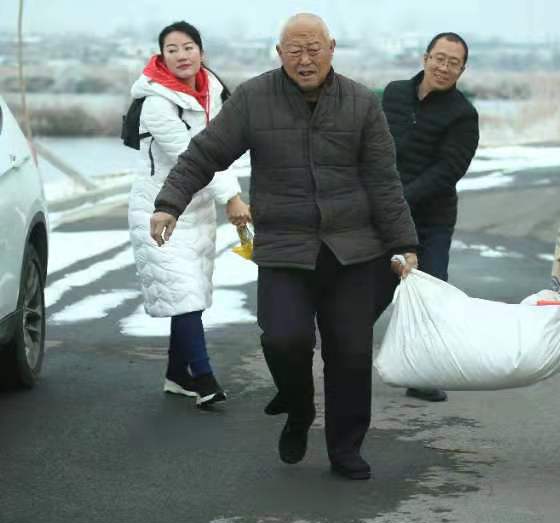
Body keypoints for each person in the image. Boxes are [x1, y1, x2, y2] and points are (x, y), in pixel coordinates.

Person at [149, 13, 418, 480]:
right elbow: (204, 153)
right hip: (284, 247)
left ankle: (346, 448)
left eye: (314, 49)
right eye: (294, 50)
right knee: (283, 339)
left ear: (331, 49)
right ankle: (298, 405)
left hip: (353, 249)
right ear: (280, 54)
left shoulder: (360, 102)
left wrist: (403, 244)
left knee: (351, 352)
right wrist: (169, 204)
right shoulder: (255, 98)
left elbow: (383, 180)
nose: (305, 59)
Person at [127, 21, 250, 408]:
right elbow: (195, 156)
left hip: (198, 209)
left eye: (188, 47)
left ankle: (177, 375)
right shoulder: (156, 103)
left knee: (189, 295)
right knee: (185, 295)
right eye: (172, 49)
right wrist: (232, 197)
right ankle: (204, 378)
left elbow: (224, 147)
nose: (182, 55)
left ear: (201, 51)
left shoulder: (212, 90)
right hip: (159, 208)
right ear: (161, 57)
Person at [377, 32, 479, 402]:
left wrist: (399, 199)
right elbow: (373, 143)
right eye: (439, 58)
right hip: (384, 212)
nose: (444, 67)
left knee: (429, 294)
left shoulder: (463, 115)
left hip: (431, 218)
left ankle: (422, 375)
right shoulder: (393, 94)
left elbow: (448, 171)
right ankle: (345, 360)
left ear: (462, 70)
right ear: (425, 58)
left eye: (453, 63)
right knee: (370, 288)